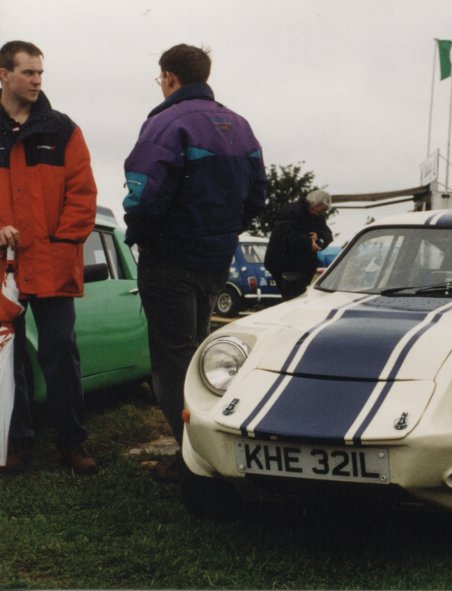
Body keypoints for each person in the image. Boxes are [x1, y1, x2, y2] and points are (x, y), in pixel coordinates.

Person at [123, 44, 266, 478]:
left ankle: (193, 459)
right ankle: (208, 448)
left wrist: (141, 235)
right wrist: (221, 234)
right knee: (203, 358)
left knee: (172, 364)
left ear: (169, 77)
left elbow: (143, 195)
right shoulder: (240, 127)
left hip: (169, 261)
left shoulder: (166, 123)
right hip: (214, 262)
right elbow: (256, 197)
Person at [0, 41, 98, 474]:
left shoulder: (63, 130)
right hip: (3, 266)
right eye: (28, 73)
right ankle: (16, 442)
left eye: (41, 73)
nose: (37, 81)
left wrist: (61, 241)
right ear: (3, 74)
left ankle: (71, 443)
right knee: (8, 356)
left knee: (60, 351)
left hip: (52, 261)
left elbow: (83, 193)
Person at [264, 190, 334, 300]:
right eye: (320, 210)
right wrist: (308, 242)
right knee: (292, 298)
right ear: (314, 204)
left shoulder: (318, 216)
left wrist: (319, 239)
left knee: (299, 297)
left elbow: (327, 235)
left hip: (304, 266)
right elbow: (283, 235)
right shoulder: (290, 211)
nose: (321, 213)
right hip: (284, 264)